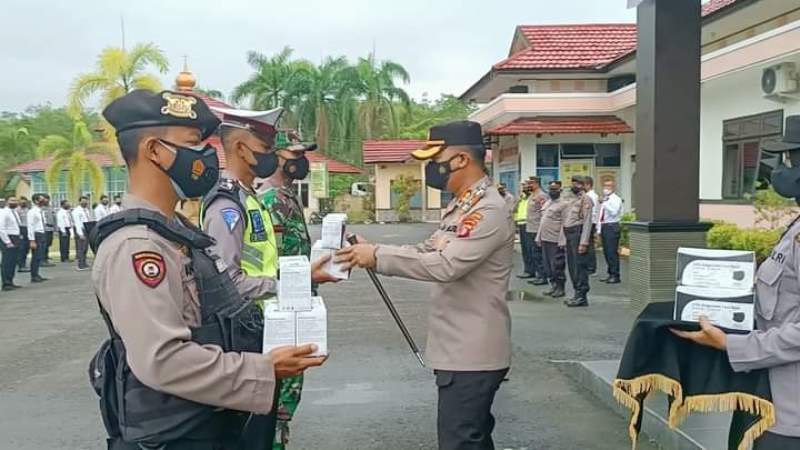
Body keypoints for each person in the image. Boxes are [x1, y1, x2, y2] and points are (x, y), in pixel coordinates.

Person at [93, 88, 327, 450]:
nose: (205, 157)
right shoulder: (137, 247)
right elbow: (162, 359)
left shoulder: (174, 233)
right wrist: (263, 369)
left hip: (207, 420)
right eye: (192, 144)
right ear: (154, 151)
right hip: (177, 435)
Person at [337, 120, 514, 450]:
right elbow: (426, 250)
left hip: (472, 352)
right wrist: (374, 247)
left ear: (461, 159)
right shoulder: (463, 206)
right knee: (469, 439)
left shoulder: (488, 209)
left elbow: (447, 265)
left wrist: (375, 256)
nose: (430, 167)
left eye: (436, 158)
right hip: (458, 350)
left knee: (460, 441)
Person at [201, 107, 336, 450]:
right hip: (247, 334)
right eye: (264, 145)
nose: (269, 154)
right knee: (255, 429)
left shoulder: (248, 200)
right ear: (242, 149)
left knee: (269, 424)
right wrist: (296, 280)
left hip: (266, 324)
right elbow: (227, 283)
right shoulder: (227, 207)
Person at [672, 114, 800, 450]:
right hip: (767, 394)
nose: (782, 169)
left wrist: (733, 345)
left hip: (790, 413)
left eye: (791, 158)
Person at [258, 129, 319, 450]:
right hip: (281, 309)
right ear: (275, 156)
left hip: (297, 303)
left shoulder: (288, 196)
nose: (302, 161)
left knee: (288, 392)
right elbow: (272, 262)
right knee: (278, 394)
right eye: (294, 155)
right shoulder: (269, 200)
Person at [561, 176, 593, 307]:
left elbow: (587, 222)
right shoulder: (568, 198)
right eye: (574, 183)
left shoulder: (586, 199)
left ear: (584, 185)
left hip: (578, 233)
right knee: (572, 265)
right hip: (569, 234)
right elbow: (565, 220)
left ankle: (582, 295)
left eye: (579, 184)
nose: (575, 186)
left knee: (580, 266)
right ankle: (576, 293)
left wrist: (584, 242)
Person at [536, 181, 568, 299]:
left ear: (560, 190)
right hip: (545, 238)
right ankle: (553, 286)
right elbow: (543, 221)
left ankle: (560, 288)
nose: (552, 191)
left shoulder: (564, 204)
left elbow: (565, 224)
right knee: (547, 265)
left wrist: (562, 240)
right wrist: (538, 237)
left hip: (555, 240)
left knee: (557, 265)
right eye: (550, 189)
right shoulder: (548, 203)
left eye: (555, 189)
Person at [526, 176, 550, 286]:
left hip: (537, 228)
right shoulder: (532, 195)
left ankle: (543, 276)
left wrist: (541, 229)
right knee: (533, 253)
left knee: (538, 253)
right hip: (530, 227)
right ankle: (538, 274)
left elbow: (543, 212)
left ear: (536, 183)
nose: (528, 185)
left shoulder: (541, 195)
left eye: (531, 183)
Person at [598, 179, 623, 284]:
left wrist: (604, 203)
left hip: (612, 226)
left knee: (612, 252)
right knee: (607, 252)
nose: (606, 188)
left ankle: (615, 275)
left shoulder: (616, 199)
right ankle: (610, 273)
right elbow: (601, 216)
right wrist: (599, 230)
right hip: (605, 226)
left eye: (609, 186)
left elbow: (613, 212)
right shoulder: (605, 199)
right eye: (605, 186)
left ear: (613, 187)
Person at [0, 197, 22, 290]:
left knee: (13, 261)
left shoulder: (15, 212)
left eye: (16, 200)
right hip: (9, 238)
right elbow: (1, 228)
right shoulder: (3, 212)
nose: (14, 202)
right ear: (7, 202)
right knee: (7, 261)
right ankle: (6, 283)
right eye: (12, 200)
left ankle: (11, 280)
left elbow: (17, 225)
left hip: (16, 237)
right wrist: (7, 241)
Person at [26, 193, 48, 283]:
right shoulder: (32, 212)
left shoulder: (41, 211)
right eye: (41, 199)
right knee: (36, 256)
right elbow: (30, 226)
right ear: (36, 201)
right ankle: (34, 276)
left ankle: (37, 274)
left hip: (42, 233)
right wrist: (32, 240)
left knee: (39, 256)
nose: (44, 201)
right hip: (36, 235)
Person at [514, 184, 533, 278]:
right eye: (523, 187)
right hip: (521, 225)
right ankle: (528, 270)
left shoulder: (532, 198)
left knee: (531, 249)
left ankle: (533, 271)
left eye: (526, 187)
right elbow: (516, 210)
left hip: (529, 225)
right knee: (525, 249)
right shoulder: (522, 198)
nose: (524, 189)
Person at [583, 176, 599, 276]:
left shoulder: (591, 196)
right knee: (587, 244)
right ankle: (588, 266)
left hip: (590, 222)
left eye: (583, 185)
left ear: (588, 185)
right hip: (589, 222)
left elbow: (591, 211)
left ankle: (591, 268)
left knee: (589, 245)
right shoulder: (589, 195)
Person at [72, 196, 90, 271]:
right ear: (79, 202)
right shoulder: (76, 211)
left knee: (85, 248)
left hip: (86, 229)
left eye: (86, 201)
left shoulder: (86, 210)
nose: (85, 203)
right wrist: (80, 234)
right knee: (81, 248)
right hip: (80, 230)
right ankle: (80, 265)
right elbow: (77, 223)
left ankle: (84, 262)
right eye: (83, 201)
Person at [17, 196, 29, 273]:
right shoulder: (17, 210)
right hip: (21, 229)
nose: (23, 203)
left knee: (26, 248)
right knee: (21, 248)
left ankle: (23, 263)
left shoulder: (28, 210)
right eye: (22, 202)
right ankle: (21, 265)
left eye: (25, 202)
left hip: (28, 229)